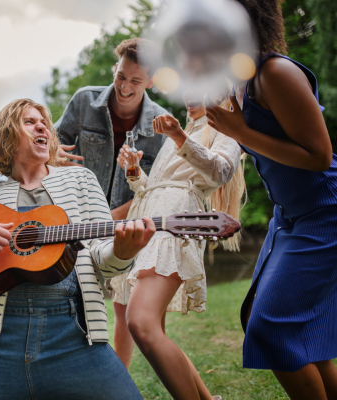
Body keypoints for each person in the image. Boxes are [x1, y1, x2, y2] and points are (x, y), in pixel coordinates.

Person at [0, 98, 156, 399]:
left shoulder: (81, 181)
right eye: (29, 122)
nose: (42, 125)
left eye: (45, 124)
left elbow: (103, 259)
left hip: (73, 334)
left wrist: (123, 252)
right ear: (7, 137)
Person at [205, 1, 337, 399]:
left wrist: (239, 131)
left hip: (325, 211)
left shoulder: (276, 72)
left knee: (271, 328)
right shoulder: (238, 77)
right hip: (289, 216)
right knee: (266, 320)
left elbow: (320, 156)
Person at [115, 88, 244, 400]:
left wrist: (177, 137)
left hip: (176, 221)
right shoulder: (184, 129)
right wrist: (134, 173)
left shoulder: (227, 127)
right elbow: (157, 187)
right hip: (148, 221)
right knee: (153, 330)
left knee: (141, 322)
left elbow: (221, 171)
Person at [54, 38, 170, 367]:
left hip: (126, 221)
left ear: (151, 81)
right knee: (69, 293)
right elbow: (47, 147)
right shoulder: (84, 102)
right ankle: (71, 369)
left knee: (124, 301)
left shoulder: (161, 126)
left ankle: (118, 380)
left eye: (135, 81)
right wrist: (55, 157)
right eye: (121, 76)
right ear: (114, 69)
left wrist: (107, 219)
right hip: (74, 218)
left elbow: (154, 193)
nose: (125, 87)